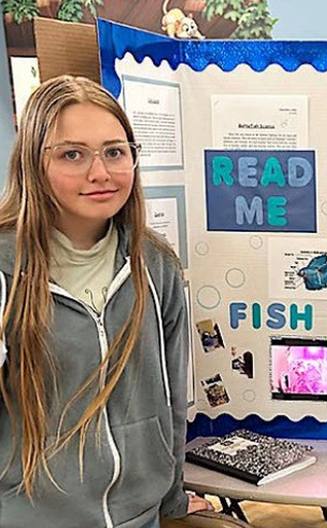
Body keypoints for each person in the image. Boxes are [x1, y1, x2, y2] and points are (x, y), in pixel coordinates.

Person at [0, 75, 211, 527]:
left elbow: (172, 397)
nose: (100, 173)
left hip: (139, 518)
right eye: (72, 154)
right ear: (34, 164)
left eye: (115, 152)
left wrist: (171, 496)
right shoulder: (7, 272)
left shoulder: (154, 264)